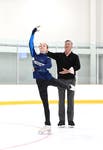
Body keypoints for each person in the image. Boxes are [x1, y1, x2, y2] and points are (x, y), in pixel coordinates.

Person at [29, 27, 71, 134]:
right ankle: (47, 124)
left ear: (46, 49)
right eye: (40, 45)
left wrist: (37, 65)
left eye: (44, 45)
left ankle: (70, 87)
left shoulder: (47, 58)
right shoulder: (35, 55)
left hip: (48, 78)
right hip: (40, 81)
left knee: (59, 83)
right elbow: (30, 43)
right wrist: (33, 32)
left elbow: (48, 66)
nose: (41, 46)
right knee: (45, 103)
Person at [47, 40, 81, 127]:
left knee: (71, 101)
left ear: (71, 46)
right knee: (61, 101)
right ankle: (61, 121)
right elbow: (50, 54)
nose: (67, 45)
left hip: (71, 81)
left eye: (68, 44)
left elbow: (78, 66)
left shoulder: (75, 56)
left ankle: (70, 121)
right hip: (60, 81)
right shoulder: (59, 55)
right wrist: (44, 49)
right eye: (66, 44)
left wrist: (69, 71)